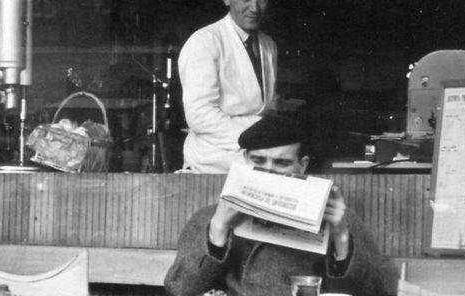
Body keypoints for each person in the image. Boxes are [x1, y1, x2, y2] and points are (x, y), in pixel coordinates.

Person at [164, 115, 397, 296]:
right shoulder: (210, 217)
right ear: (245, 160)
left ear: (302, 166)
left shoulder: (337, 219)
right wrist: (217, 229)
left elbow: (378, 291)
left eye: (281, 163)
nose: (268, 170)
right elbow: (179, 289)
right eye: (258, 160)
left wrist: (342, 237)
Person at [179, 0, 279, 173]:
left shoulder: (268, 45)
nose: (254, 8)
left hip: (257, 152)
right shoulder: (204, 41)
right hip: (213, 158)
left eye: (261, 0)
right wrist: (260, 137)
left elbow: (266, 109)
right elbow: (200, 116)